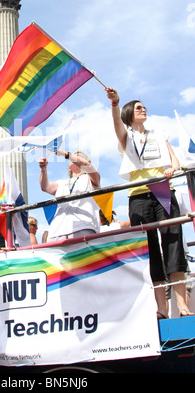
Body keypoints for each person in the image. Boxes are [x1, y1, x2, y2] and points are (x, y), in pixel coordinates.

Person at [105, 87, 193, 318]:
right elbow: (116, 125)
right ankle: (161, 309)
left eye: (143, 107)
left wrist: (173, 167)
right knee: (150, 249)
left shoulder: (158, 133)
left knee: (173, 244)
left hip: (164, 191)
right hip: (138, 196)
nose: (143, 109)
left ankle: (183, 307)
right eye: (137, 108)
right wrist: (115, 103)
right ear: (128, 114)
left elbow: (173, 159)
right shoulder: (126, 137)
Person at [39, 149, 101, 241]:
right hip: (56, 231)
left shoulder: (90, 179)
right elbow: (45, 187)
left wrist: (66, 154)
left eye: (79, 157)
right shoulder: (62, 182)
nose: (75, 157)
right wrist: (43, 169)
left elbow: (87, 166)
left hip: (83, 227)